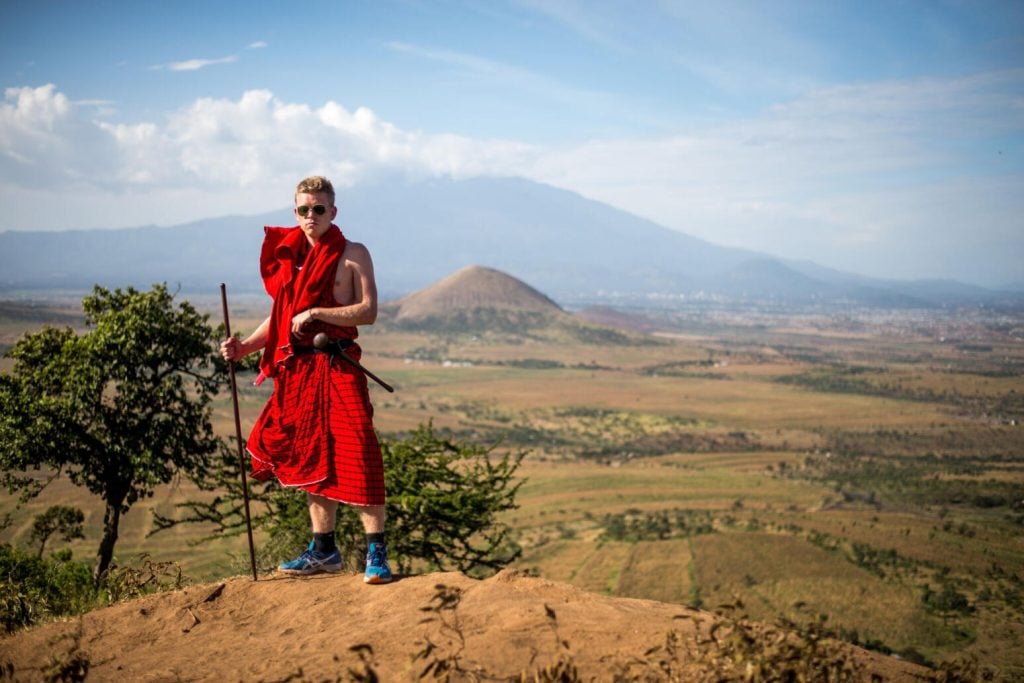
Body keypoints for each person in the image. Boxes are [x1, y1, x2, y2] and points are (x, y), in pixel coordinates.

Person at [220, 175, 391, 584]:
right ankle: (324, 550)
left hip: (339, 364)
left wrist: (318, 313)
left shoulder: (353, 253)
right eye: (303, 209)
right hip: (300, 370)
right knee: (313, 455)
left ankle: (376, 553)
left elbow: (368, 311)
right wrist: (244, 347)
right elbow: (281, 316)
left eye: (318, 209)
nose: (310, 216)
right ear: (294, 212)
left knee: (359, 451)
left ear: (333, 212)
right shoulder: (291, 259)